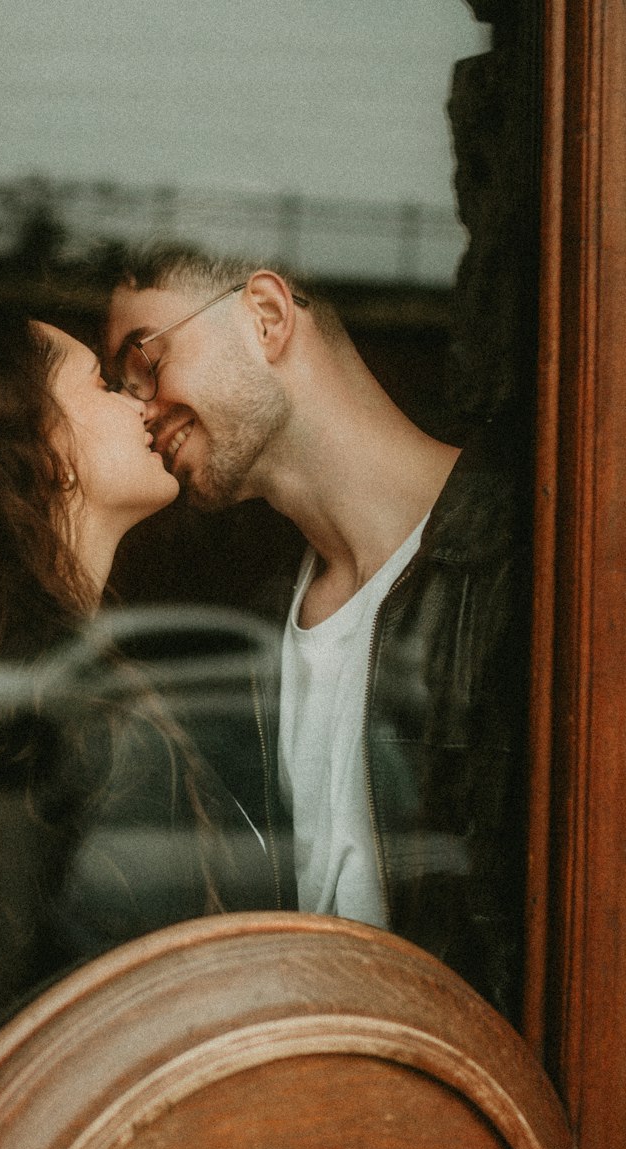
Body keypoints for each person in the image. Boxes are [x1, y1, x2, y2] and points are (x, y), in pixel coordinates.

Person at [105, 247, 530, 1024]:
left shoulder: (528, 564)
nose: (140, 409)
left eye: (147, 362)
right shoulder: (257, 627)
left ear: (266, 316)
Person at [0, 307, 279, 1102]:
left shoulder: (21, 671)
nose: (142, 401)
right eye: (102, 384)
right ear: (43, 451)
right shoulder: (69, 707)